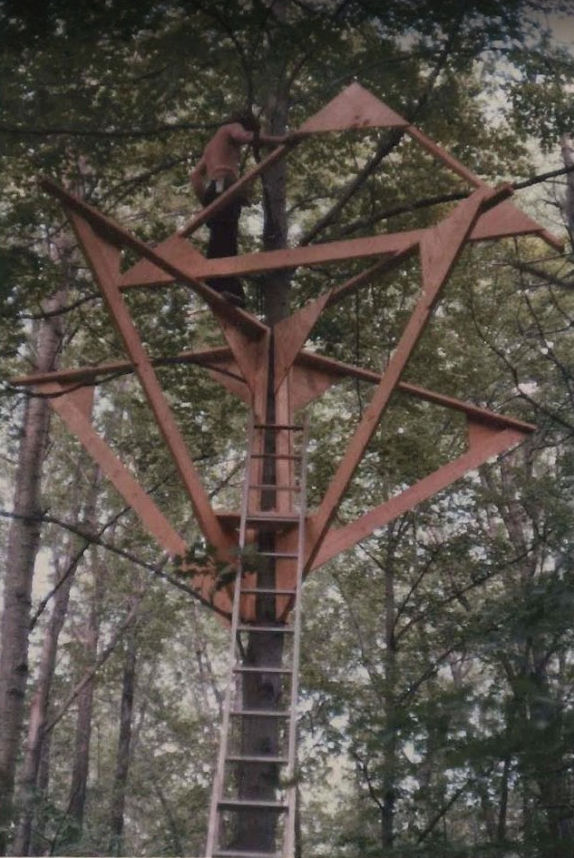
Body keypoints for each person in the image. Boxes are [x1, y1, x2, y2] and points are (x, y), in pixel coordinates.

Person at [190, 112, 291, 309]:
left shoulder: (211, 146)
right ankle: (220, 283)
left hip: (215, 189)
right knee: (225, 237)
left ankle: (222, 284)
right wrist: (281, 140)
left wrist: (208, 204)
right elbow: (244, 137)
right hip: (224, 185)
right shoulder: (231, 128)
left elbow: (195, 176)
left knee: (223, 235)